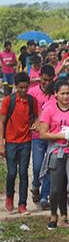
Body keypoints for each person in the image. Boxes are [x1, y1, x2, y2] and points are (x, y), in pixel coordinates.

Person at [38, 79, 69, 230]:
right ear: (56, 94)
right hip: (56, 152)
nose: (66, 96)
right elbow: (43, 134)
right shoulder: (49, 110)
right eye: (63, 93)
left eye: (68, 93)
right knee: (55, 188)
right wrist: (62, 135)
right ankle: (54, 214)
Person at [1, 73, 36, 214]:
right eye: (20, 87)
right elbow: (2, 122)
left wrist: (35, 125)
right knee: (11, 172)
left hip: (26, 141)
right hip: (10, 141)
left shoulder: (32, 101)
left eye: (26, 87)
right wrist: (1, 143)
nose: (23, 90)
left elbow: (36, 117)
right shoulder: (8, 101)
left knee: (23, 173)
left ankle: (22, 204)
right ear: (16, 86)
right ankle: (9, 196)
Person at [29, 65, 55, 209]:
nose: (47, 83)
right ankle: (35, 184)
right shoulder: (32, 93)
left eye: (50, 80)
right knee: (38, 165)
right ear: (40, 77)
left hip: (51, 134)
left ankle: (45, 196)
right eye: (44, 80)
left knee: (49, 166)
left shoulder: (55, 94)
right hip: (37, 135)